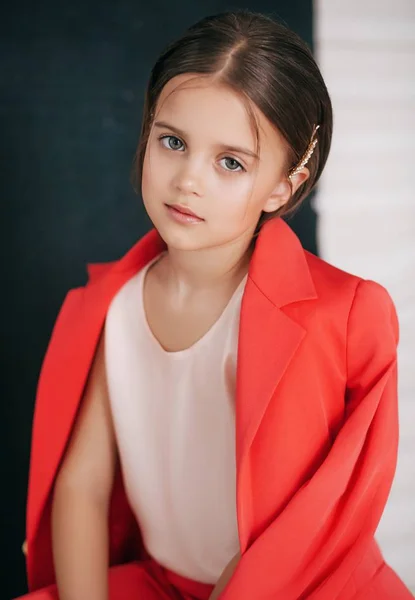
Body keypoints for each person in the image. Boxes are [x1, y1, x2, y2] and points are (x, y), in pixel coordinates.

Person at [16, 10, 413, 600]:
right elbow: (83, 486)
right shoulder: (116, 307)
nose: (187, 181)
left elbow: (298, 530)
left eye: (230, 162)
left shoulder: (343, 316)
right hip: (165, 585)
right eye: (172, 142)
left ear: (285, 184)